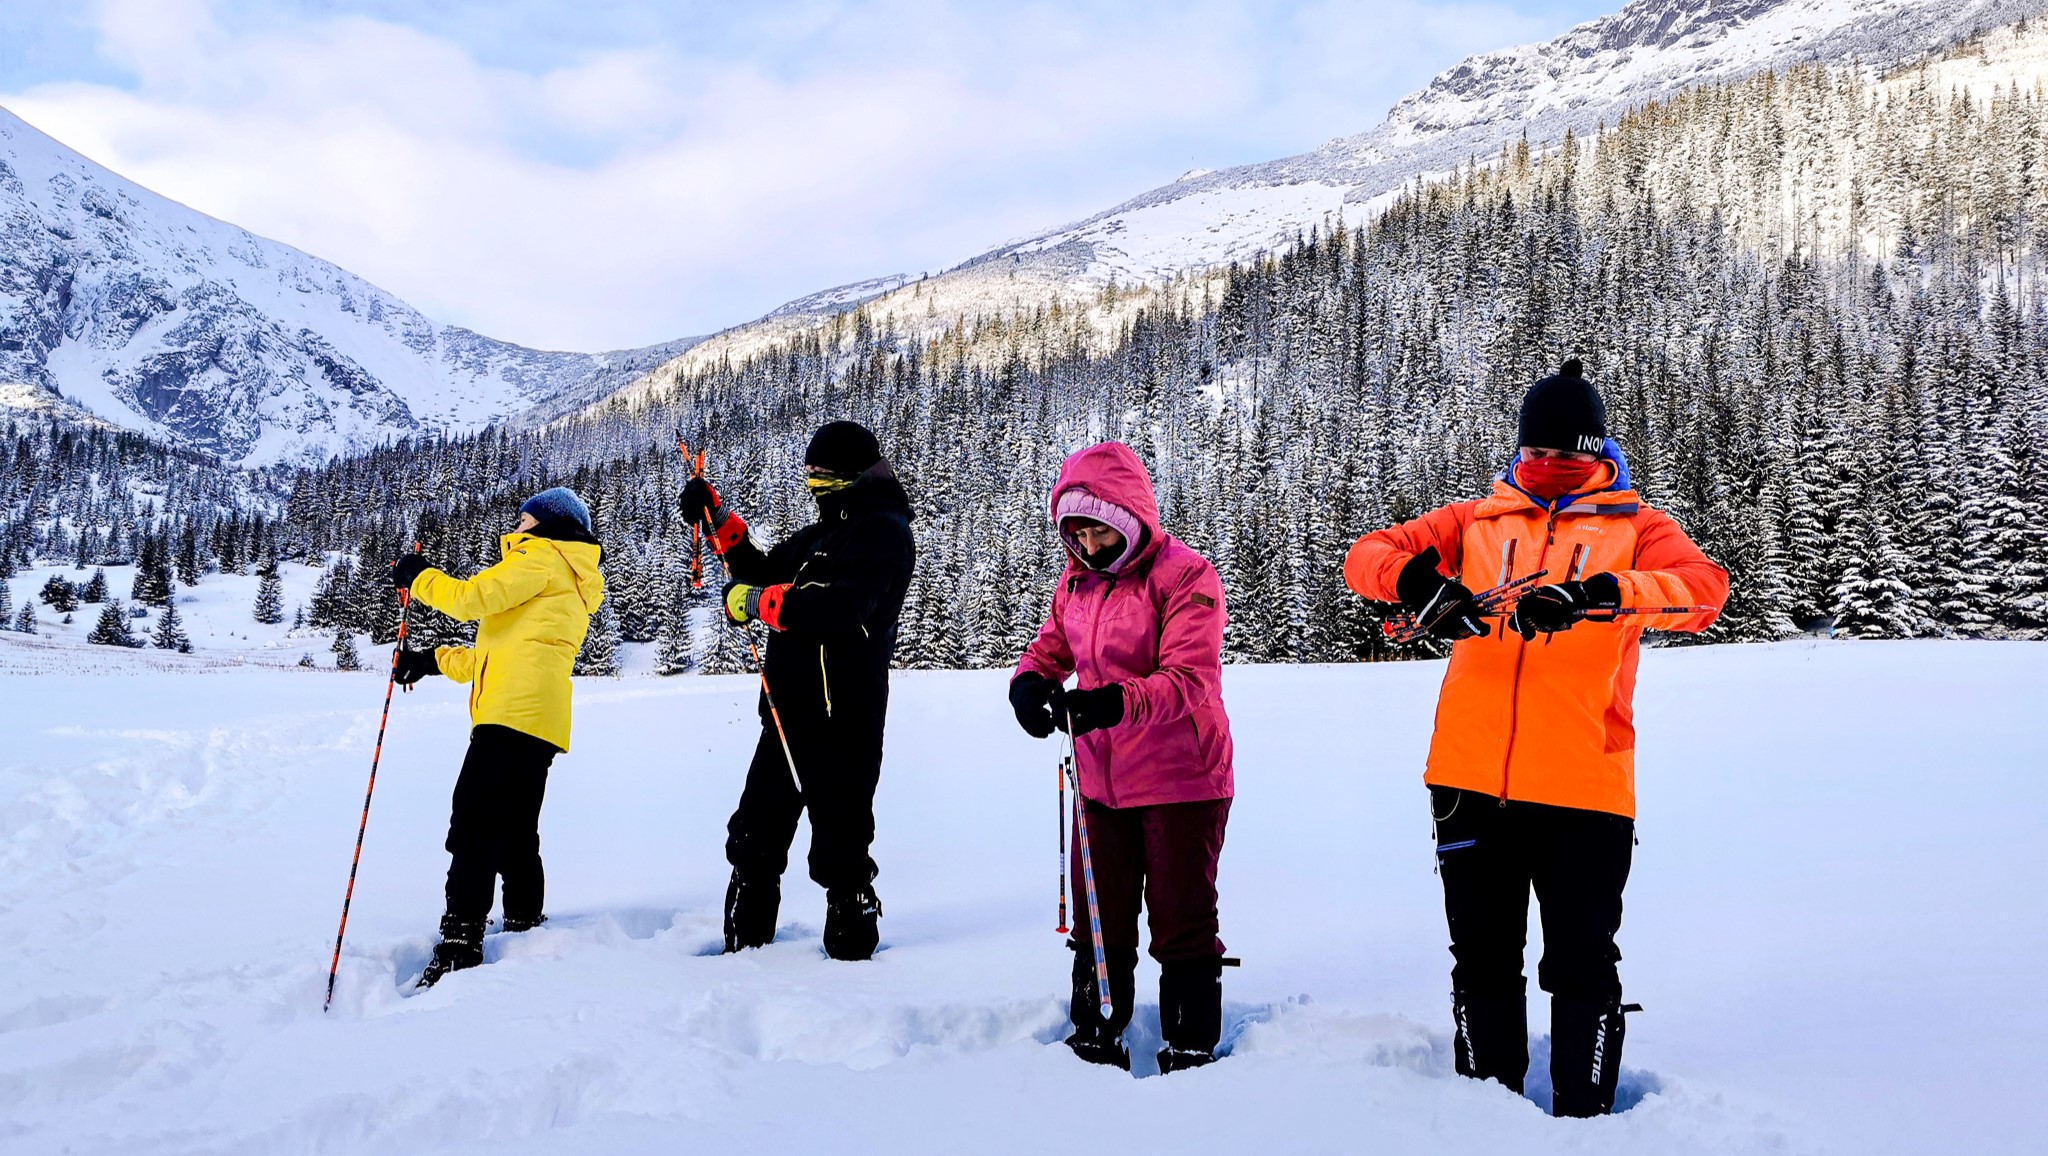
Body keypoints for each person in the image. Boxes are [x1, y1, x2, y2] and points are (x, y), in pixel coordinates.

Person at [1342, 359, 1729, 1116]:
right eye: (1536, 454)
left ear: (1599, 453)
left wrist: (1599, 595)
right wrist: (1421, 585)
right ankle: (1487, 1116)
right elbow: (1367, 556)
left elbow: (1703, 590)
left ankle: (1585, 1117)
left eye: (1569, 456)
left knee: (1582, 962)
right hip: (1467, 781)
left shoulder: (1638, 528)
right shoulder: (1474, 522)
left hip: (1585, 784)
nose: (1550, 469)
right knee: (1482, 960)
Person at [1009, 441, 1235, 1074]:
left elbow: (1191, 680)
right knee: (1099, 917)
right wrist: (1029, 683)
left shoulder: (1186, 577)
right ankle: (1095, 1035)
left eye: (1096, 530)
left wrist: (1105, 704)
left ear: (1128, 516)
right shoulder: (1076, 584)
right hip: (1100, 780)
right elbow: (1049, 649)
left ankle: (1190, 1044)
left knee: (1180, 917)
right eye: (1073, 532)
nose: (1084, 545)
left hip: (1182, 778)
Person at [682, 420, 915, 961]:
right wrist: (716, 516)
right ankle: (743, 956)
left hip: (845, 716)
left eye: (821, 472)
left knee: (842, 850)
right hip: (788, 712)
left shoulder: (883, 532)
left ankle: (853, 974)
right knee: (753, 840)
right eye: (807, 470)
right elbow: (760, 568)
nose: (811, 480)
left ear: (851, 473)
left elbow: (843, 610)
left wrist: (762, 603)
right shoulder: (820, 535)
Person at [387, 486, 607, 989]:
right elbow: (497, 654)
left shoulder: (541, 557)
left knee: (475, 824)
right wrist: (431, 661)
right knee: (514, 827)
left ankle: (461, 941)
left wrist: (419, 578)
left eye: (525, 517)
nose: (518, 524)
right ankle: (525, 923)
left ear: (546, 523)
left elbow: (471, 599)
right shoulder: (565, 573)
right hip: (538, 718)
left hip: (510, 716)